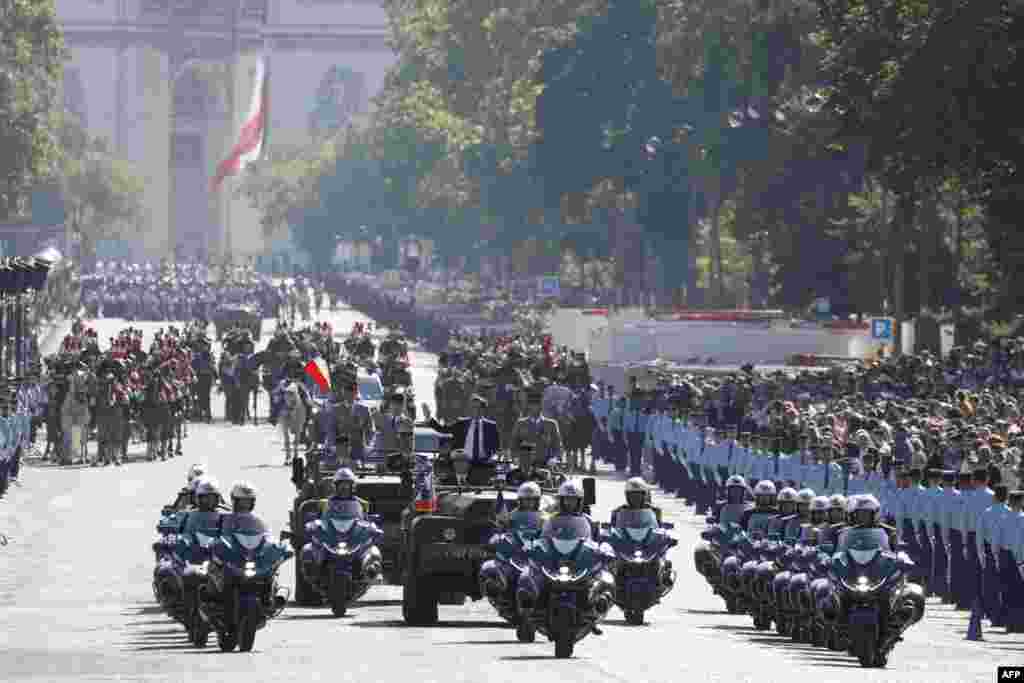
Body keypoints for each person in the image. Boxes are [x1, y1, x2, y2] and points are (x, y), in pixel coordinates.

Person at [422, 395, 500, 464]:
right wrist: (429, 417)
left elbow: (496, 446)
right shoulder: (462, 423)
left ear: (483, 409)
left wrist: (493, 456)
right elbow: (442, 429)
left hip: (483, 464)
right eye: (473, 407)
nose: (476, 410)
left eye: (478, 407)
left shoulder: (491, 426)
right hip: (462, 462)